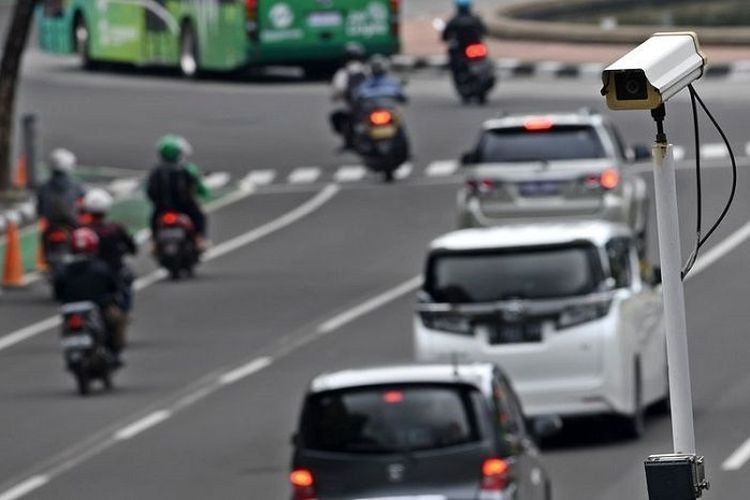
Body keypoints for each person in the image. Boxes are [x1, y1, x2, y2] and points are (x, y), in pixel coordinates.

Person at [54, 227, 126, 364]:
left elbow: (57, 292)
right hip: (96, 306)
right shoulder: (101, 267)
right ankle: (115, 352)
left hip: (71, 308)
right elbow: (114, 287)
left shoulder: (63, 269)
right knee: (118, 320)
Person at [146, 135, 209, 251]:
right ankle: (200, 239)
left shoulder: (156, 171)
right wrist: (204, 193)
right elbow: (200, 187)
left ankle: (154, 242)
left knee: (154, 218)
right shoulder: (187, 170)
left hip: (163, 207)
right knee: (200, 216)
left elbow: (149, 191)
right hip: (185, 206)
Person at [80, 188, 137, 312]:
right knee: (127, 279)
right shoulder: (115, 228)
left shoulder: (82, 230)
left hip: (89, 274)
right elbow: (132, 247)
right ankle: (124, 311)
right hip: (112, 272)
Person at [330, 45, 369, 150]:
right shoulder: (369, 69)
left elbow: (338, 90)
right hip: (373, 105)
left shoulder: (343, 73)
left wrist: (336, 97)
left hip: (356, 108)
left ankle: (349, 143)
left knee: (337, 117)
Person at [37, 148, 85, 228]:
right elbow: (83, 206)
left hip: (51, 226)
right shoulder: (76, 186)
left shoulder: (44, 187)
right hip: (72, 225)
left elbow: (40, 211)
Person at [442, 0, 487, 71]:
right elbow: (484, 32)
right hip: (474, 47)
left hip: (461, 48)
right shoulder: (476, 19)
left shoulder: (454, 20)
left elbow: (445, 35)